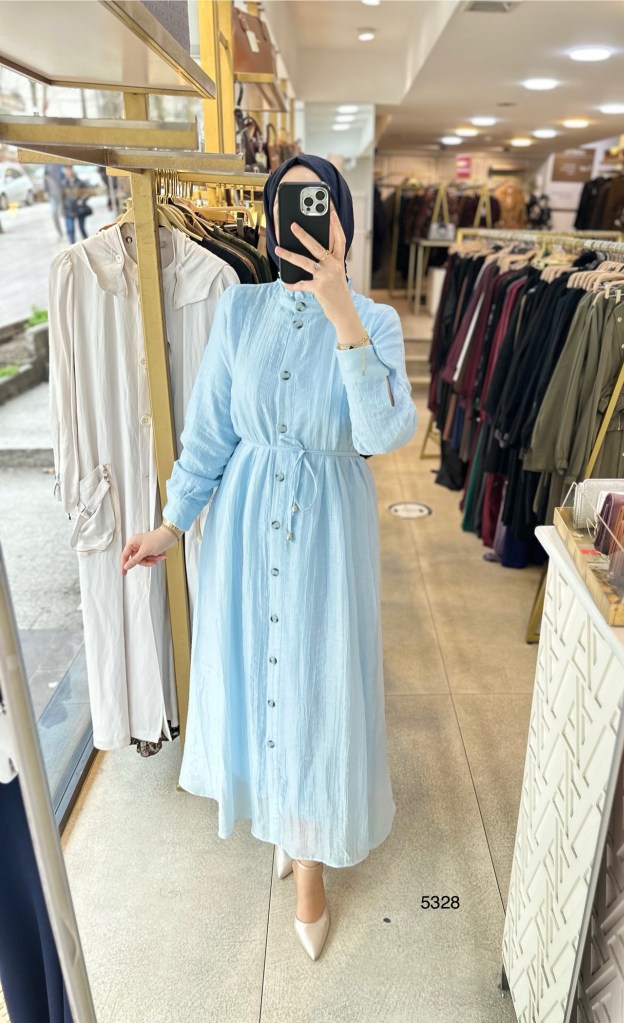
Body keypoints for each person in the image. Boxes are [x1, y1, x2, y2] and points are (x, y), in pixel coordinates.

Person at [119, 154, 418, 962]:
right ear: (270, 221)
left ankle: (310, 858)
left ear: (343, 218)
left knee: (316, 683)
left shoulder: (376, 320)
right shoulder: (239, 309)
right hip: (246, 524)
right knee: (260, 671)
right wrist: (172, 524)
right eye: (290, 206)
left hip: (328, 530)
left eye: (320, 206)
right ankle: (284, 817)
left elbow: (383, 433)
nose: (304, 221)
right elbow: (211, 428)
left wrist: (339, 308)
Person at [60, 166, 91, 244]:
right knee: (70, 230)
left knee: (82, 228)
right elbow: (61, 198)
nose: (67, 172)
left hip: (79, 209)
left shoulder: (80, 182)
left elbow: (87, 193)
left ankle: (87, 244)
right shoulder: (63, 183)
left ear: (71, 169)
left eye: (68, 169)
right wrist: (62, 210)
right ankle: (72, 246)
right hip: (68, 209)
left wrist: (82, 200)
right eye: (65, 170)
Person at [43, 164, 64, 239]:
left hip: (63, 193)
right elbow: (45, 178)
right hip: (52, 194)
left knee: (64, 213)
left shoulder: (60, 163)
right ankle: (59, 232)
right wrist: (46, 191)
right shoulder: (47, 165)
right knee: (54, 213)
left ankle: (69, 232)